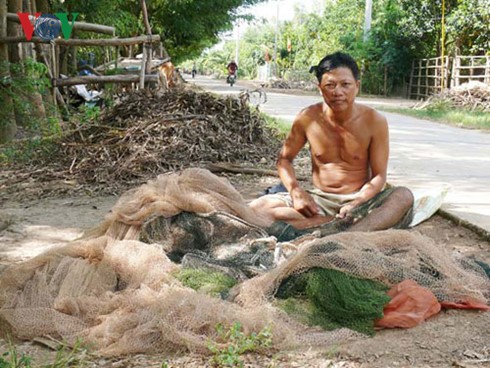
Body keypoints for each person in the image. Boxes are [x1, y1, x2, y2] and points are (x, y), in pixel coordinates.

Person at [249, 51, 414, 233]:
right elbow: (284, 160)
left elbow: (379, 176)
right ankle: (342, 226)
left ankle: (347, 234)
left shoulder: (375, 121)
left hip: (362, 200)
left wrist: (357, 202)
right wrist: (296, 191)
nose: (338, 92)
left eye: (345, 85)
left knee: (403, 196)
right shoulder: (307, 118)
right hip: (319, 201)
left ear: (357, 86)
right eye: (330, 85)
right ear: (319, 87)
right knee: (257, 209)